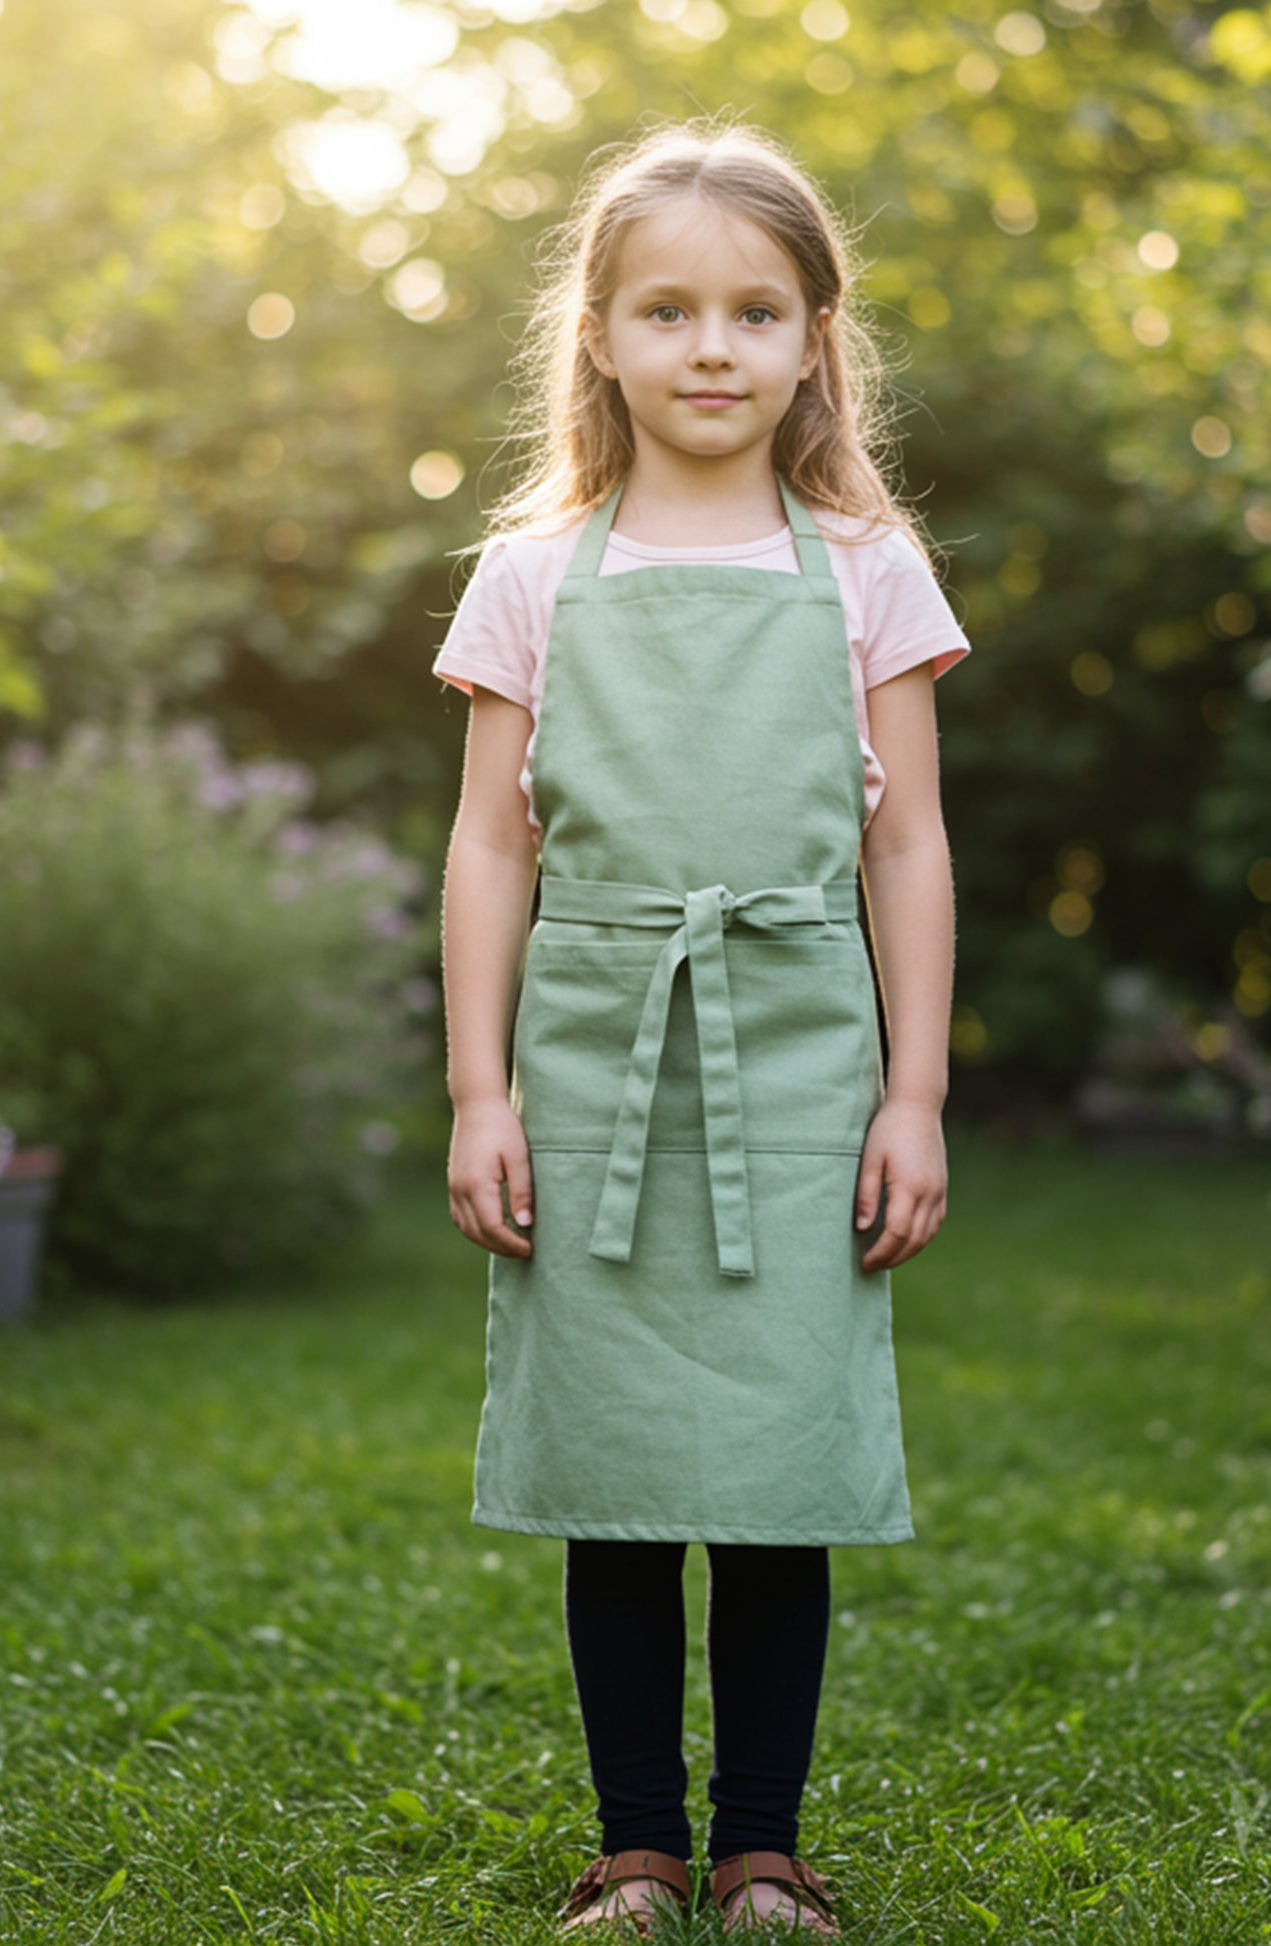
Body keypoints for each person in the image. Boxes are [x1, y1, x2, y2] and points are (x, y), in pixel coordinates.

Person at [434, 119, 967, 1938]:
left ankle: (761, 1844)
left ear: (819, 337)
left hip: (802, 1053)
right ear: (597, 336)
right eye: (667, 309)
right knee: (613, 1460)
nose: (712, 346)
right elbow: (489, 846)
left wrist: (914, 1092)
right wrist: (478, 1087)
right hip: (595, 1056)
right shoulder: (527, 574)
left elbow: (907, 840)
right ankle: (636, 1841)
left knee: (772, 1458)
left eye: (755, 309)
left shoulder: (865, 564)